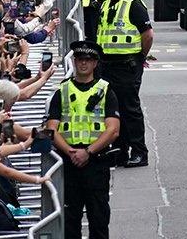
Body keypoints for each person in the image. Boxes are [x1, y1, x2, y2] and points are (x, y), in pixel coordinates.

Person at [50, 41, 120, 239]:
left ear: (95, 63)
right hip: (69, 162)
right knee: (70, 220)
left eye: (88, 60)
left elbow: (113, 130)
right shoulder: (62, 91)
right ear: (74, 61)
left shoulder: (106, 91)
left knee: (98, 218)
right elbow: (51, 130)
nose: (83, 64)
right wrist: (71, 152)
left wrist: (88, 151)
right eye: (80, 59)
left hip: (96, 162)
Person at [93, 0, 152, 168]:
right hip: (107, 65)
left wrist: (139, 57)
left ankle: (139, 151)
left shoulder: (134, 4)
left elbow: (148, 35)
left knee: (130, 109)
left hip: (127, 65)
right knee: (112, 110)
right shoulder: (106, 4)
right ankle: (120, 150)